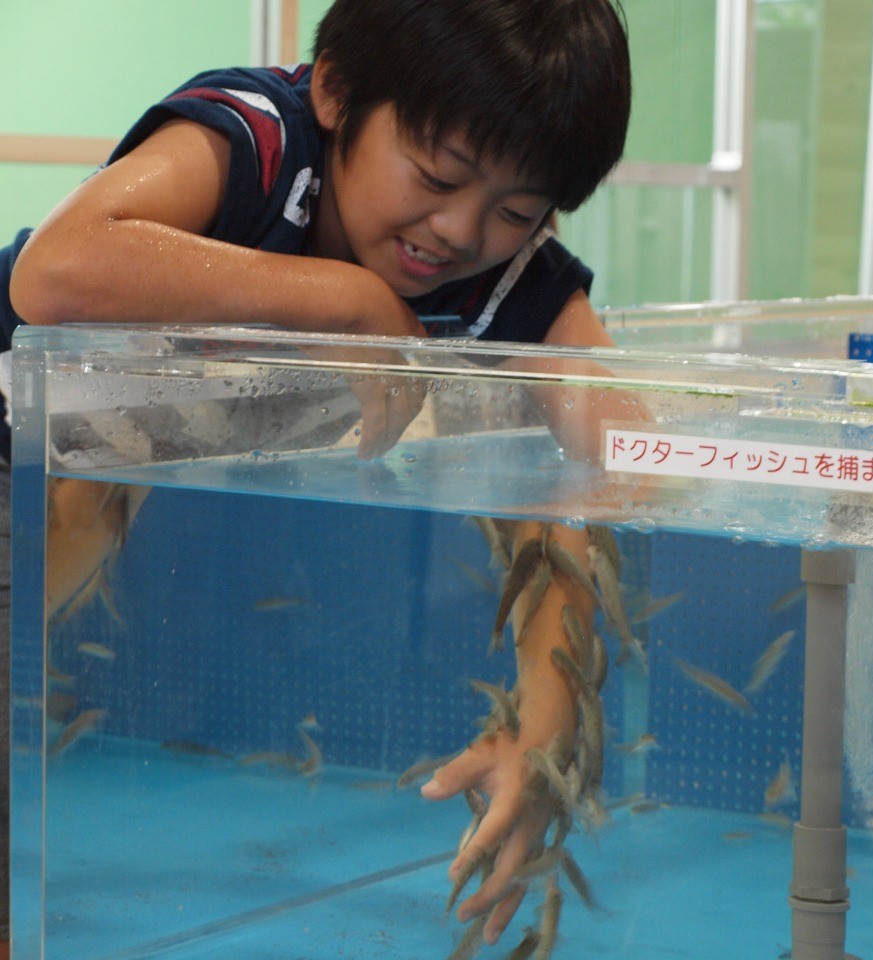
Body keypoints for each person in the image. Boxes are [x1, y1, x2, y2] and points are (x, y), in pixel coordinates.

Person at [1, 0, 632, 948]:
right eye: (438, 175)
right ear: (335, 89)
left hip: (69, 508)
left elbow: (608, 464)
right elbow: (53, 272)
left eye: (516, 210)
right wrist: (344, 298)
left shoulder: (515, 284)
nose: (459, 231)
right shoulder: (253, 142)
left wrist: (544, 735)